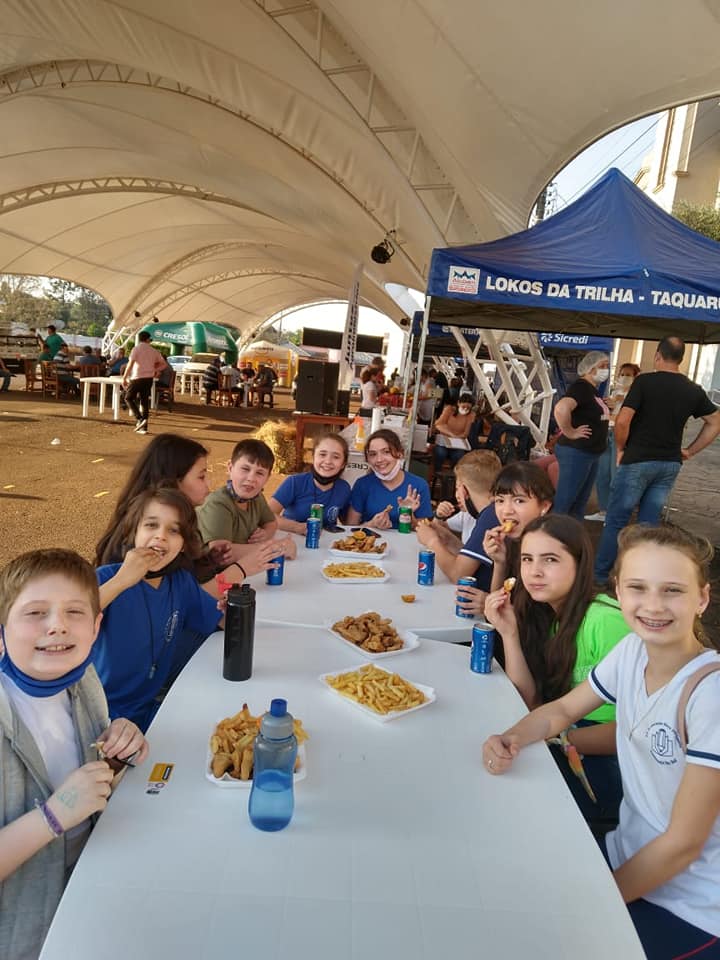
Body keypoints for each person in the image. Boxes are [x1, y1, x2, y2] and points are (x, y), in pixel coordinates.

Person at [483, 524, 720, 960]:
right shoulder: (632, 653)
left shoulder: (710, 694)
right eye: (637, 588)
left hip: (691, 903)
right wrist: (511, 737)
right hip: (623, 853)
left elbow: (683, 843)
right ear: (619, 591)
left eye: (672, 590)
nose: (653, 605)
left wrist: (599, 901)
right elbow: (561, 710)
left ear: (701, 599)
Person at [0, 548, 148, 958]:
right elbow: (67, 805)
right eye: (36, 613)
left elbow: (91, 778)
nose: (57, 626)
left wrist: (119, 749)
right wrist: (53, 816)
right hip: (29, 934)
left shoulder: (81, 679)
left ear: (96, 626)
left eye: (75, 612)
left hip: (93, 885)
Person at [484, 514, 629, 825]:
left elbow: (639, 728)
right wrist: (509, 634)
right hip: (567, 737)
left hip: (613, 761)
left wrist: (560, 739)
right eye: (527, 559)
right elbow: (528, 702)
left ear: (579, 564)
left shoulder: (606, 621)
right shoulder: (549, 617)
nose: (534, 571)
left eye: (550, 559)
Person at [95, 487, 225, 730]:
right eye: (151, 525)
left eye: (174, 530)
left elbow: (219, 619)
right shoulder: (106, 578)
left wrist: (234, 608)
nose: (161, 536)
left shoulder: (180, 582)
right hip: (102, 717)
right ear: (132, 532)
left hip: (150, 710)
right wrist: (122, 581)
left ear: (184, 544)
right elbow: (68, 619)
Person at [595, 337, 720, 583]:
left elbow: (623, 420)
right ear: (681, 359)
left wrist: (620, 448)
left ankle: (600, 575)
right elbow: (715, 422)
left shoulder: (644, 382)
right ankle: (638, 576)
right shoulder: (693, 389)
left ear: (658, 355)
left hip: (637, 460)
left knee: (617, 520)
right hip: (669, 464)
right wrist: (690, 451)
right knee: (648, 526)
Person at [457, 461, 554, 615]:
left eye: (519, 500)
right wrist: (500, 562)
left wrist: (491, 605)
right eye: (500, 500)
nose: (506, 511)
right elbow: (498, 613)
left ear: (544, 506)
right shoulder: (513, 542)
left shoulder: (550, 550)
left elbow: (539, 618)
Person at [416, 449, 501, 591]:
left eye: (456, 489)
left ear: (463, 490)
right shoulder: (491, 512)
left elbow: (457, 574)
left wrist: (432, 541)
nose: (456, 495)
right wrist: (448, 539)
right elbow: (471, 560)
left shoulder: (490, 517)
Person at [196, 438, 282, 565]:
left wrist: (266, 534)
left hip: (244, 567)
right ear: (230, 468)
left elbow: (271, 523)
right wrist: (276, 548)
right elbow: (221, 555)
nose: (251, 478)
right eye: (245, 469)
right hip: (214, 573)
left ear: (267, 478)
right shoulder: (217, 504)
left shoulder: (256, 497)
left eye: (259, 473)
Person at [552, 350, 610, 520]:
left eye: (607, 366)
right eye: (602, 366)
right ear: (590, 368)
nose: (606, 370)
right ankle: (553, 531)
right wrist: (570, 431)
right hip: (578, 451)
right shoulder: (582, 387)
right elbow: (561, 408)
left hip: (590, 452)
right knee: (565, 501)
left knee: (579, 501)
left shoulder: (592, 390)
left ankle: (572, 533)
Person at [346, 428, 432, 530]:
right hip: (370, 539)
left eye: (386, 452)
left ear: (400, 453)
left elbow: (425, 531)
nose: (379, 459)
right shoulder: (362, 484)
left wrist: (408, 514)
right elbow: (350, 528)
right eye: (373, 454)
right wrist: (371, 524)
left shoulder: (419, 486)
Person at [587, 362, 642, 522]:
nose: (624, 377)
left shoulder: (637, 396)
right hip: (607, 434)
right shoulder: (614, 393)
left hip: (621, 437)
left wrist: (612, 411)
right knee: (602, 474)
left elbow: (627, 419)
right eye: (622, 374)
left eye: (628, 375)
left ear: (635, 377)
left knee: (616, 475)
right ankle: (604, 511)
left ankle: (615, 513)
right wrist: (608, 407)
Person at [269, 433, 351, 535]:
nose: (328, 461)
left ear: (343, 464)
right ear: (313, 457)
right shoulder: (295, 482)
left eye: (336, 457)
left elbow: (349, 524)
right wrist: (297, 527)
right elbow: (267, 516)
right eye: (322, 454)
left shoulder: (344, 488)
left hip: (325, 543)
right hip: (290, 539)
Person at [122, 331, 167, 435]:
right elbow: (164, 364)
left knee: (128, 398)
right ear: (147, 339)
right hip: (149, 378)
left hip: (137, 377)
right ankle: (144, 427)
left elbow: (130, 364)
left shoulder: (136, 349)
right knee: (144, 401)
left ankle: (139, 419)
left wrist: (124, 377)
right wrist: (155, 370)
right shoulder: (154, 351)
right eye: (150, 339)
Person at [432, 392, 475, 471]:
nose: (465, 409)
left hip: (458, 443)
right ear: (458, 403)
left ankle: (453, 474)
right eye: (463, 406)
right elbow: (439, 424)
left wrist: (457, 437)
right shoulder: (449, 409)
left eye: (468, 408)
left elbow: (466, 433)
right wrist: (451, 434)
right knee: (440, 453)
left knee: (459, 455)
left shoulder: (471, 415)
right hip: (444, 440)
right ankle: (437, 473)